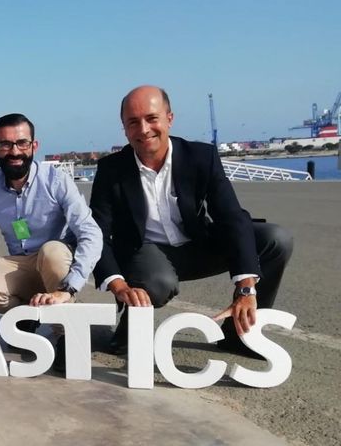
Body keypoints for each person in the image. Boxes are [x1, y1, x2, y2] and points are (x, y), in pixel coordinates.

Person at [90, 85, 293, 358]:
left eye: (152, 118)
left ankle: (242, 335)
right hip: (147, 255)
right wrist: (119, 286)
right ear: (124, 128)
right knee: (157, 282)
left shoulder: (201, 157)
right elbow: (98, 233)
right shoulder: (111, 170)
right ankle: (131, 326)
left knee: (276, 239)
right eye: (133, 122)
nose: (144, 129)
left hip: (198, 245)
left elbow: (231, 216)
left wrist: (246, 287)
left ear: (169, 118)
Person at [0, 113, 102, 368]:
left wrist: (70, 287)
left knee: (51, 251)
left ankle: (65, 332)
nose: (15, 151)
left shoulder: (56, 180)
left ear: (34, 145)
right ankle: (25, 315)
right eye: (6, 144)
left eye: (22, 143)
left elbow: (90, 233)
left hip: (55, 260)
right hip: (21, 261)